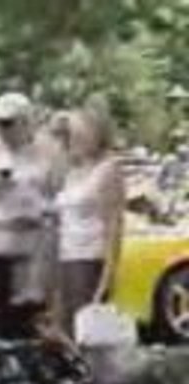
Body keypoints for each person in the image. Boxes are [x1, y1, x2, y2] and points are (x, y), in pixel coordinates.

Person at [0, 92, 63, 336]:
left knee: (31, 312)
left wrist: (45, 212)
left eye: (9, 123)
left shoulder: (47, 153)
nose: (2, 129)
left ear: (26, 122)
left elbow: (61, 194)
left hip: (34, 241)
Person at [56, 109, 126, 336]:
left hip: (89, 261)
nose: (74, 139)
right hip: (65, 258)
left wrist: (107, 277)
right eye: (71, 134)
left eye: (80, 134)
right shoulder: (72, 170)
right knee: (64, 333)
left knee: (87, 334)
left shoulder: (109, 169)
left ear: (96, 135)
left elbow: (115, 225)